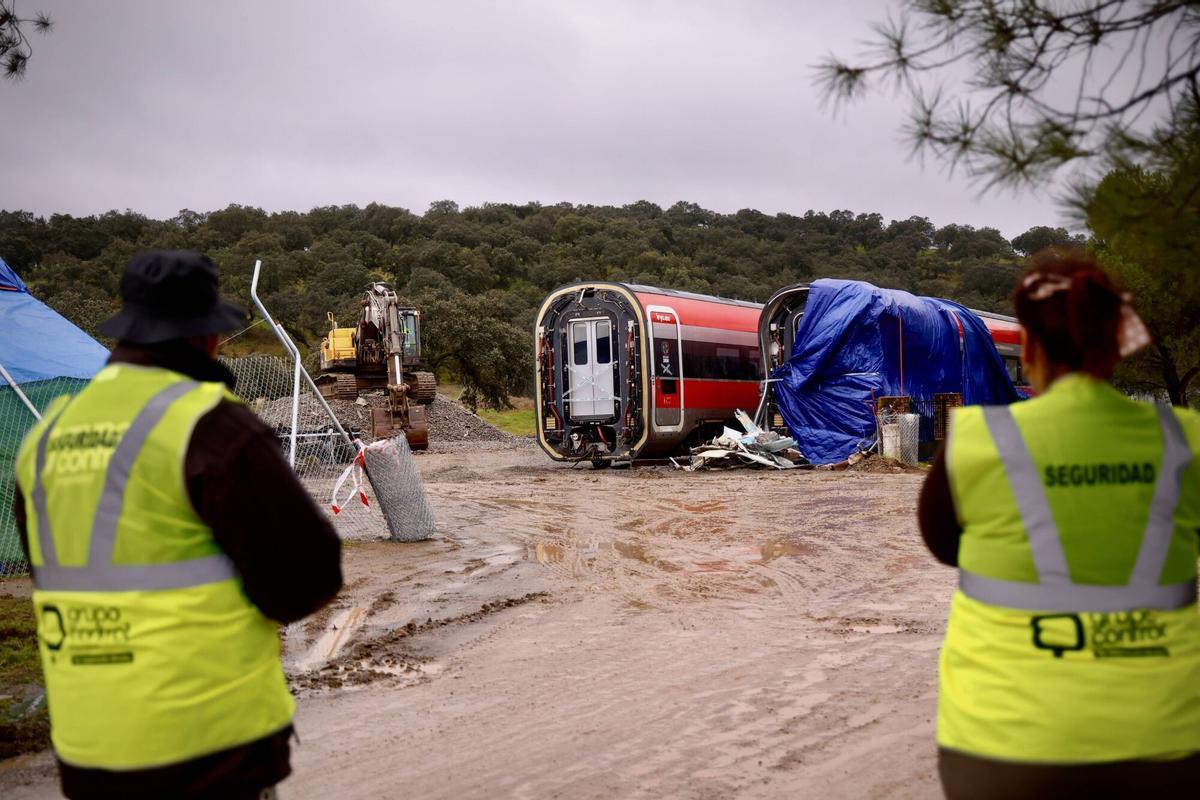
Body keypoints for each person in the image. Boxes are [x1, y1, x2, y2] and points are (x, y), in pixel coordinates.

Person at [12, 250, 343, 799]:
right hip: (207, 748)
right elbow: (307, 578)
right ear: (205, 338)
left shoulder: (47, 438)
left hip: (90, 749)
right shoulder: (210, 427)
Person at [918, 248, 1200, 798]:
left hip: (1003, 747)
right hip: (1165, 741)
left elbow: (948, 548)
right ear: (1118, 341)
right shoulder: (1185, 438)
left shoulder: (975, 439)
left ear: (1029, 344)